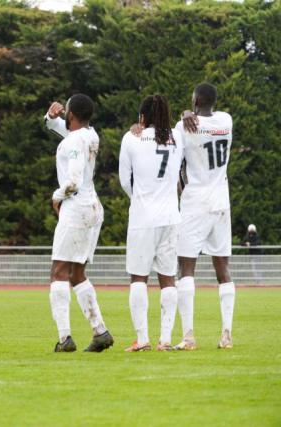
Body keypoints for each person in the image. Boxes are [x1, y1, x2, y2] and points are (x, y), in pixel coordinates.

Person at [44, 94, 114, 353]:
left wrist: (57, 196)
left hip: (76, 208)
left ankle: (65, 338)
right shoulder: (90, 135)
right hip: (94, 207)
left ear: (70, 114)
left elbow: (72, 180)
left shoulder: (73, 141)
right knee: (77, 273)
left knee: (58, 272)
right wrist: (51, 120)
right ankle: (100, 332)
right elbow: (69, 133)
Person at [173, 83, 236, 350]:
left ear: (196, 100)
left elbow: (176, 165)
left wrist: (186, 114)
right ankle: (226, 334)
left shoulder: (184, 128)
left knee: (186, 268)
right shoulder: (226, 121)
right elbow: (209, 118)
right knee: (222, 268)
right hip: (221, 200)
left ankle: (188, 336)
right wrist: (191, 111)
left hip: (195, 201)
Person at [119, 95, 184, 352]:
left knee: (138, 278)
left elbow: (125, 180)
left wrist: (139, 198)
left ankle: (143, 339)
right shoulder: (179, 138)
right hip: (170, 216)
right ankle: (165, 340)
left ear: (142, 117)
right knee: (168, 278)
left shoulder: (131, 138)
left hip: (142, 217)